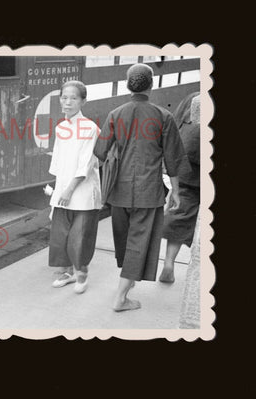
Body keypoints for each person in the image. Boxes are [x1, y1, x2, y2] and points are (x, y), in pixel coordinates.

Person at [93, 64, 186, 312]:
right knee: (139, 242)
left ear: (127, 85)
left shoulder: (115, 114)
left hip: (119, 192)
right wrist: (175, 191)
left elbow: (100, 152)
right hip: (148, 191)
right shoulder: (163, 116)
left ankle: (128, 280)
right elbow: (173, 159)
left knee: (125, 240)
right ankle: (121, 298)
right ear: (151, 85)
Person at [48, 81, 101, 294]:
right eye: (64, 97)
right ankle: (68, 272)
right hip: (63, 188)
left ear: (83, 101)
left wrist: (69, 189)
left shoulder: (90, 128)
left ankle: (82, 275)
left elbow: (86, 163)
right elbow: (58, 161)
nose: (67, 102)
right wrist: (57, 188)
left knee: (80, 235)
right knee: (61, 234)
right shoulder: (61, 127)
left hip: (83, 190)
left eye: (73, 98)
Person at [159, 93, 200, 283]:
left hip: (186, 166)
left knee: (180, 214)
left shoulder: (193, 97)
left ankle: (168, 263)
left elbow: (174, 127)